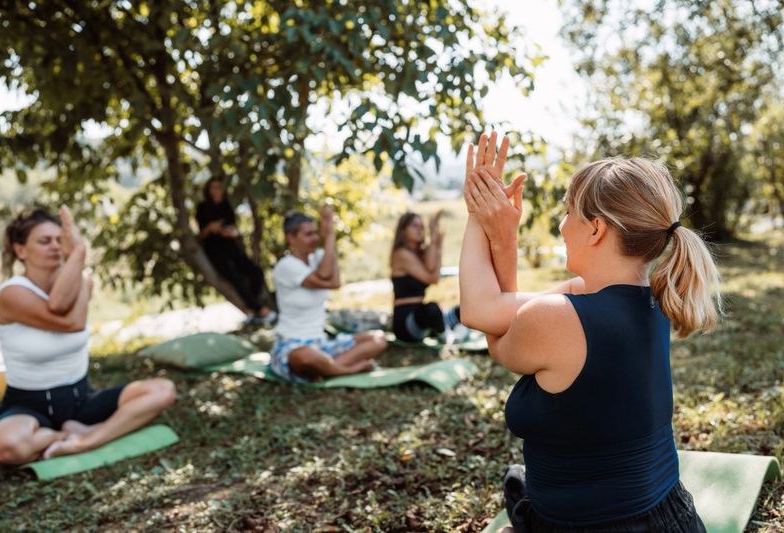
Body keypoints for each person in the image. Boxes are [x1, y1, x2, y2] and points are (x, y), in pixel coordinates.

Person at [460, 132, 715, 532]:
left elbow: (482, 315)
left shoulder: (556, 317)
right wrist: (503, 234)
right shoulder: (659, 296)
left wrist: (481, 217)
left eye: (568, 212)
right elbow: (496, 310)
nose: (562, 226)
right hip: (673, 519)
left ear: (596, 229)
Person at [0, 208, 176, 464]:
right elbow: (68, 320)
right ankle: (59, 435)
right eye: (45, 241)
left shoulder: (83, 282)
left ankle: (86, 440)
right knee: (5, 448)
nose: (55, 246)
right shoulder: (11, 294)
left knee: (163, 390)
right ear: (20, 250)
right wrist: (77, 254)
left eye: (59, 240)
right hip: (27, 403)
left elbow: (66, 308)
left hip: (80, 398)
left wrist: (77, 269)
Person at [270, 205, 387, 382]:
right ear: (290, 238)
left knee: (378, 339)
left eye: (316, 233)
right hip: (293, 344)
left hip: (321, 344)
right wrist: (329, 237)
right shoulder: (286, 266)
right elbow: (325, 276)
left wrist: (330, 236)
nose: (315, 238)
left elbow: (335, 282)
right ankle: (347, 370)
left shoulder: (318, 257)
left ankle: (326, 369)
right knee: (306, 357)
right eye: (308, 234)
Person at [196, 177, 276, 326]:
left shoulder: (226, 206)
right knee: (234, 277)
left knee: (256, 272)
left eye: (218, 187)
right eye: (213, 187)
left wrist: (226, 231)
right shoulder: (202, 207)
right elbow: (200, 234)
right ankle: (261, 310)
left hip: (230, 246)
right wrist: (210, 228)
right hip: (213, 249)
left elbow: (233, 229)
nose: (216, 191)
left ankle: (251, 309)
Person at [390, 211, 465, 343]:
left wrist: (437, 242)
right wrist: (433, 239)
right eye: (414, 226)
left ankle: (447, 330)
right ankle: (447, 336)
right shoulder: (400, 254)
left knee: (464, 311)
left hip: (423, 318)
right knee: (431, 308)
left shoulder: (421, 253)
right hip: (406, 322)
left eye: (421, 227)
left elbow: (434, 277)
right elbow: (430, 277)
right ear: (403, 230)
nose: (419, 230)